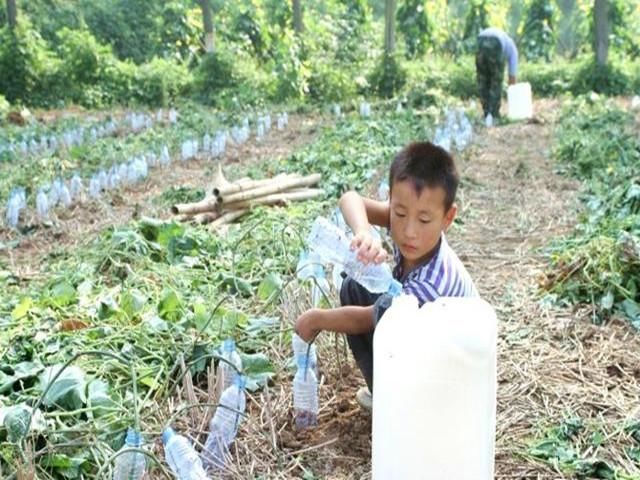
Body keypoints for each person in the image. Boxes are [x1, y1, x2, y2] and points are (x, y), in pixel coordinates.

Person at [295, 142, 478, 411]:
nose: (409, 231)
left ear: (447, 217)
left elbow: (370, 316)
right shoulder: (407, 225)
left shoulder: (433, 282)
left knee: (383, 316)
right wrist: (364, 230)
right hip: (423, 334)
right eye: (400, 213)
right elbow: (350, 199)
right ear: (391, 200)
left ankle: (403, 405)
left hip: (449, 372)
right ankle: (384, 390)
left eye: (424, 220)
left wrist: (317, 320)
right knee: (354, 285)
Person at [476, 27, 519, 121]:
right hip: (496, 41)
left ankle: (486, 113)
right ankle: (493, 115)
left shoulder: (507, 41)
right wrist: (512, 94)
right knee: (496, 80)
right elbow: (512, 76)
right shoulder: (513, 50)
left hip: (481, 38)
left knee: (482, 79)